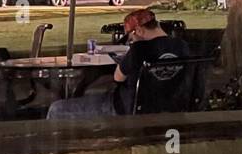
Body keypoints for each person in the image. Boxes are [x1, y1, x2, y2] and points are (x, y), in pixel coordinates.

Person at [46, 8, 190, 119]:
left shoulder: (139, 49)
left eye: (130, 37)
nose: (130, 41)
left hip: (127, 109)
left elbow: (118, 77)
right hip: (168, 108)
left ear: (139, 30)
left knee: (56, 109)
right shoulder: (182, 46)